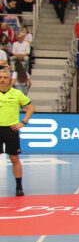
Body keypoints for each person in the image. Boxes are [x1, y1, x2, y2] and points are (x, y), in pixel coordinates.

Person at [0, 68, 33, 196]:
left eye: (5, 77)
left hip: (11, 129)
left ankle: (19, 187)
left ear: (10, 79)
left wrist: (23, 122)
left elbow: (30, 108)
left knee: (14, 158)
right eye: (0, 77)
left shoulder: (17, 93)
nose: (2, 80)